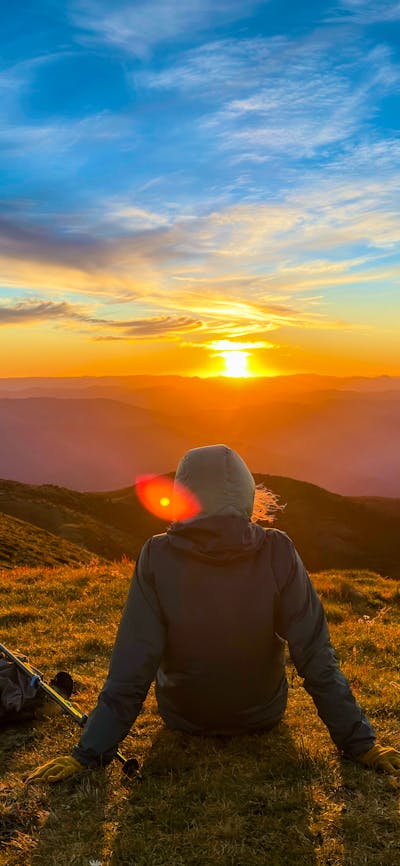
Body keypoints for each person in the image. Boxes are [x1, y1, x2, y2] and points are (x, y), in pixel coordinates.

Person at [26, 445, 400, 783]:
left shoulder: (157, 556)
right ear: (246, 494)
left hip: (185, 716)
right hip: (262, 713)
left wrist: (88, 754)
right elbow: (316, 657)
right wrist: (360, 743)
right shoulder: (278, 551)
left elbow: (132, 667)